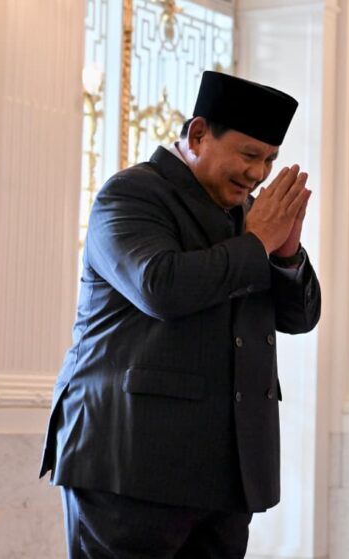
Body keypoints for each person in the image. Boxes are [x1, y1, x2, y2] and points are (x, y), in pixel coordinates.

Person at [39, 71, 321, 558]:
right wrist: (257, 243)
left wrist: (286, 255)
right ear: (197, 135)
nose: (258, 174)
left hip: (226, 474)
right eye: (249, 155)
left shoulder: (250, 217)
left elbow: (298, 317)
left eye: (269, 160)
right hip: (128, 465)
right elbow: (160, 287)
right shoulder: (131, 195)